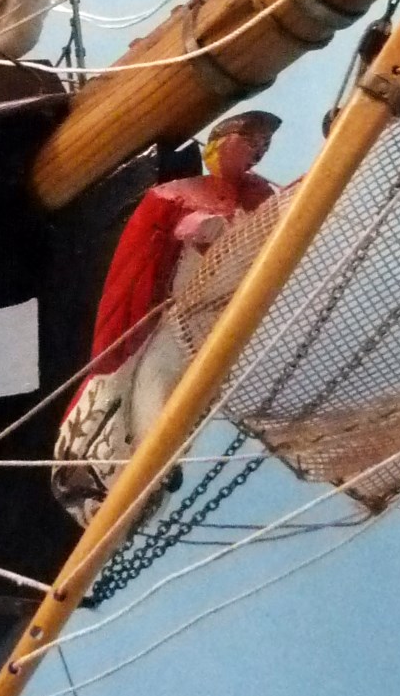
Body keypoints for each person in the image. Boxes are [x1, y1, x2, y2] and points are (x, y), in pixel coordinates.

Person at [52, 110, 280, 527]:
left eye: (262, 146)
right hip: (182, 314)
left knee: (197, 394)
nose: (256, 153)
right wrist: (196, 229)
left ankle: (158, 459)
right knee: (160, 374)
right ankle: (151, 457)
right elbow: (151, 250)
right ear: (220, 144)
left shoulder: (263, 200)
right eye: (249, 142)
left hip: (225, 320)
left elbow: (292, 222)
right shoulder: (178, 195)